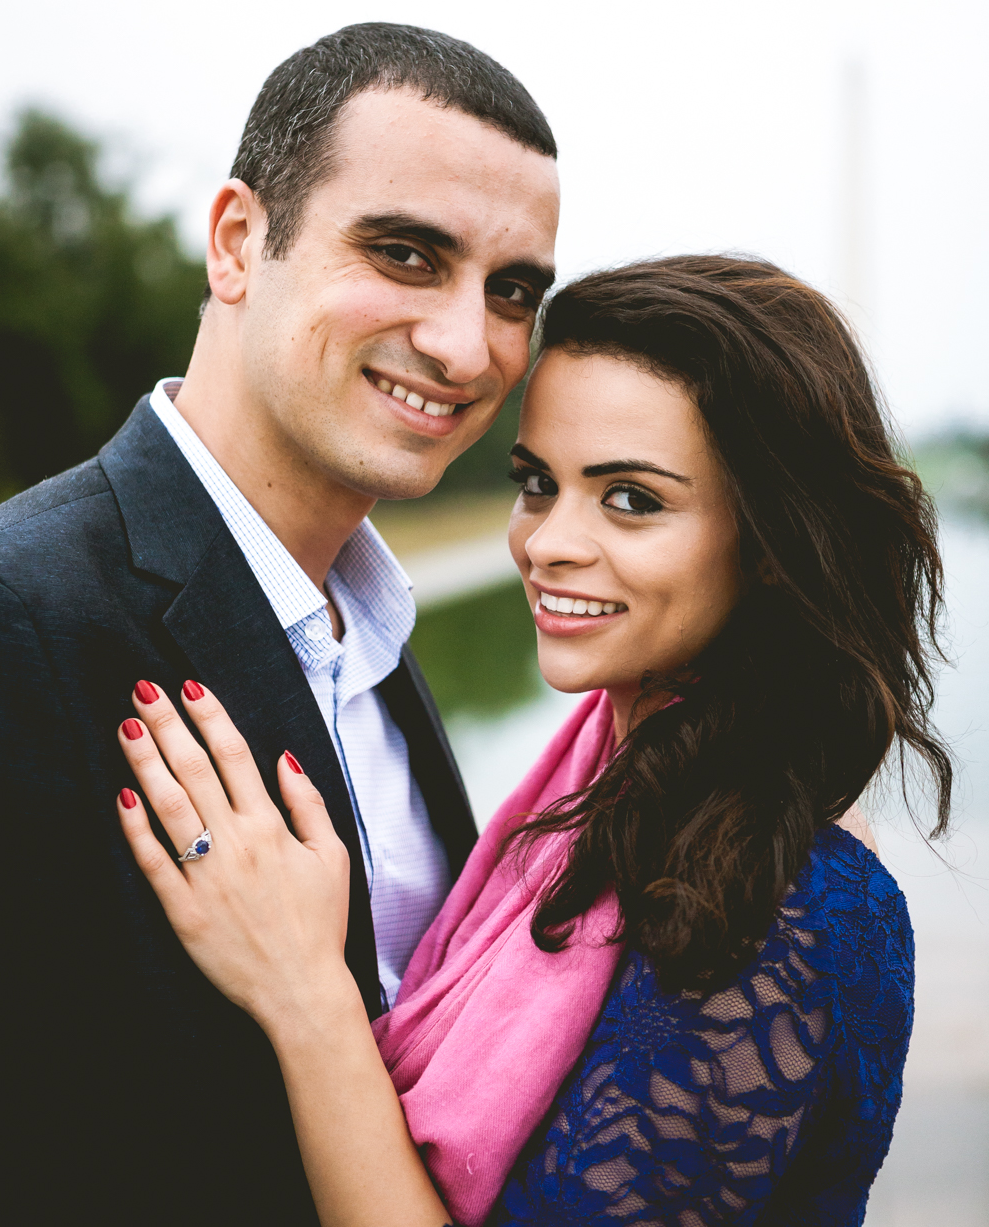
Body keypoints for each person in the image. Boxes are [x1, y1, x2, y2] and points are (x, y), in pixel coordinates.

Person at [112, 255, 951, 1226]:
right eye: (537, 483)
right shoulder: (600, 783)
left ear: (769, 545)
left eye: (630, 498)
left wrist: (306, 995)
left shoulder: (788, 912)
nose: (548, 540)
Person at [0, 23, 559, 1225]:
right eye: (407, 253)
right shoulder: (16, 616)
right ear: (241, 241)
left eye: (512, 290)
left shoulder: (371, 627)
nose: (469, 346)